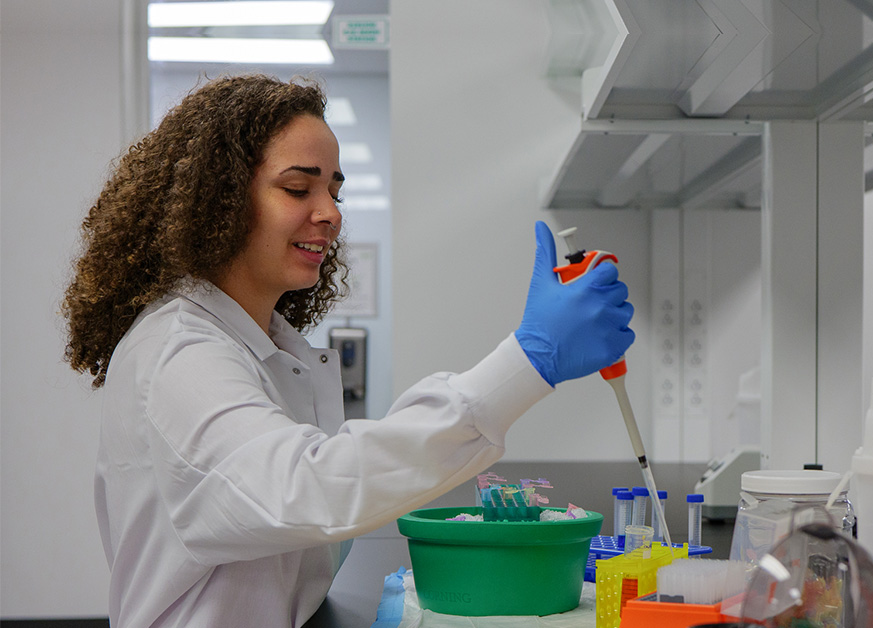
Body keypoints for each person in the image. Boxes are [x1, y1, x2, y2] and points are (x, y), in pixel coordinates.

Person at [61, 74, 634, 628]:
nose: (331, 213)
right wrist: (526, 362)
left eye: (333, 190)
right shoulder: (180, 355)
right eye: (297, 188)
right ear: (219, 200)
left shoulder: (260, 344)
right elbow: (308, 488)